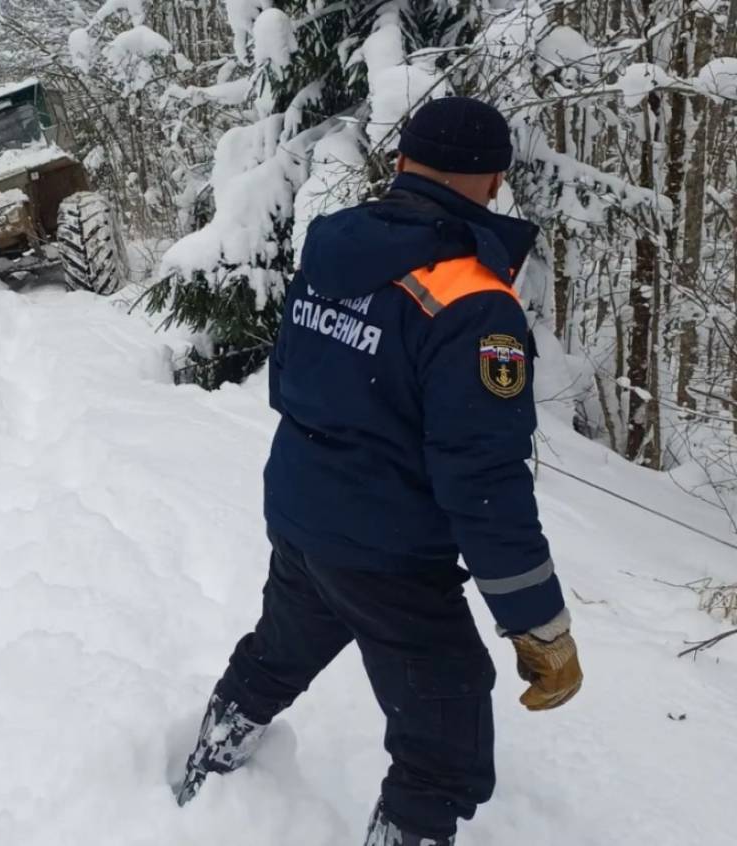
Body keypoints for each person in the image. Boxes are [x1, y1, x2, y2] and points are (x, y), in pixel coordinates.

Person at [174, 96, 583, 845]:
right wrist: (538, 625)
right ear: (493, 181)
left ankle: (205, 768)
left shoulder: (331, 246)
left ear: (401, 164)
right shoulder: (475, 304)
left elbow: (289, 381)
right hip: (390, 556)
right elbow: (484, 484)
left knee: (277, 652)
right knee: (445, 748)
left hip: (303, 517)